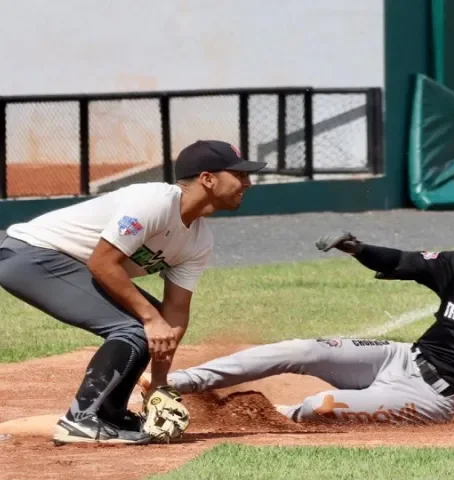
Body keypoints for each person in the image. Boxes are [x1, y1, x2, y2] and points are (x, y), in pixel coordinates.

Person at [139, 209, 454, 430]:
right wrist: (358, 248)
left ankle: (252, 421)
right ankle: (171, 386)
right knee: (298, 349)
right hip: (399, 357)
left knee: (320, 406)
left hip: (429, 399)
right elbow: (403, 261)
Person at [0, 140, 266, 445]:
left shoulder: (198, 241)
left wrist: (160, 384)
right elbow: (102, 263)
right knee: (136, 325)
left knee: (147, 321)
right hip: (30, 256)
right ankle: (81, 419)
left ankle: (109, 415)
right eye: (240, 175)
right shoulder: (154, 202)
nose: (247, 182)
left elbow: (175, 311)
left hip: (62, 263)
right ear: (207, 178)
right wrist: (151, 318)